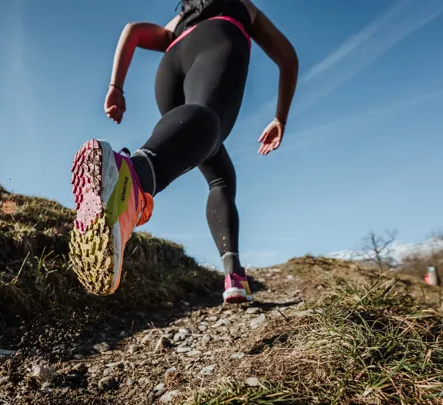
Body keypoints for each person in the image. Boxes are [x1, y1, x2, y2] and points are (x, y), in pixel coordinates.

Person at [68, 0, 298, 303]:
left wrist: (116, 86)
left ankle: (234, 274)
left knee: (220, 175)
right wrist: (280, 117)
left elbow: (133, 31)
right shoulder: (240, 4)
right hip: (218, 40)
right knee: (208, 119)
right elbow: (288, 58)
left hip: (171, 67)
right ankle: (131, 177)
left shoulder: (177, 21)